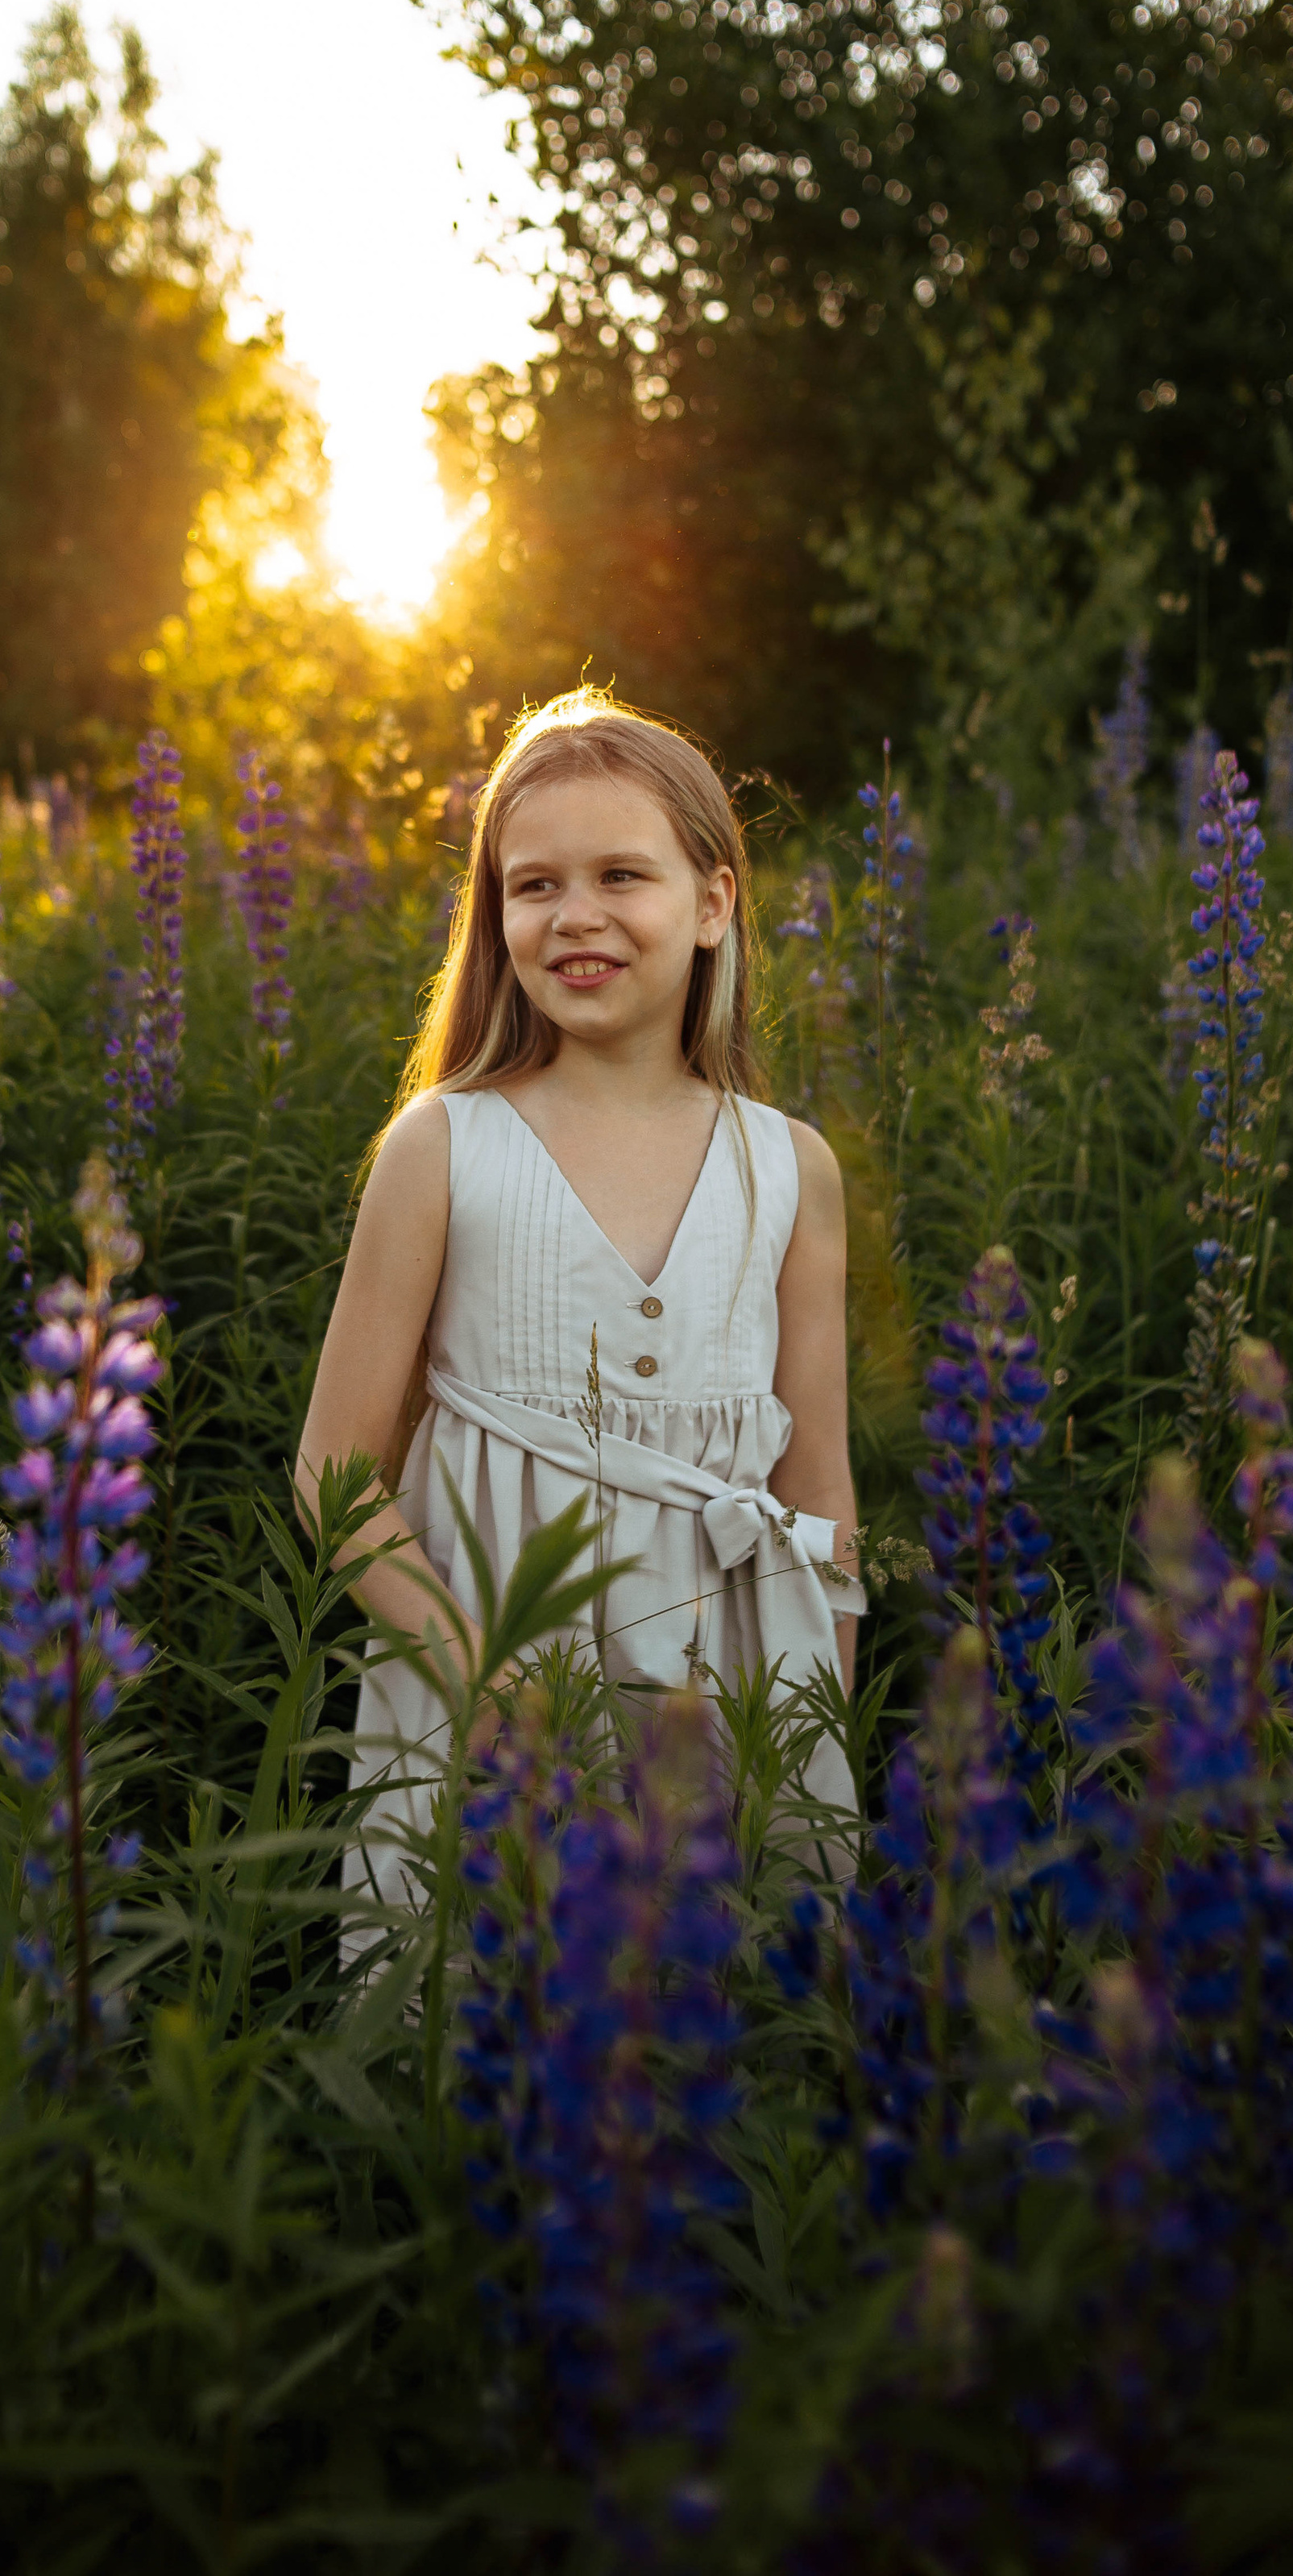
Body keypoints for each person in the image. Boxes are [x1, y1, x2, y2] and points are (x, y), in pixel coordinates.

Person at [296, 686, 864, 1921]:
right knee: (483, 2024)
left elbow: (820, 1485)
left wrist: (819, 1725)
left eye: (622, 875)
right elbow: (333, 1474)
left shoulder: (790, 1167)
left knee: (716, 2026)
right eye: (534, 884)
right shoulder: (444, 1145)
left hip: (737, 1688)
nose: (575, 916)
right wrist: (483, 1686)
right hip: (484, 1704)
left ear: (714, 902)